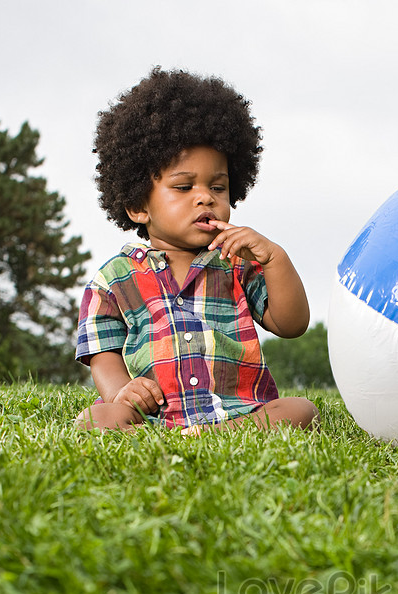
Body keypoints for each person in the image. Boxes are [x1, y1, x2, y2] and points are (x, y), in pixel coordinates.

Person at [74, 68, 318, 435]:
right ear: (139, 205)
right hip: (153, 414)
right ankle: (152, 438)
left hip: (238, 409)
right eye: (184, 186)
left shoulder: (237, 262)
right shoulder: (115, 279)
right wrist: (121, 390)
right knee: (97, 419)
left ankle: (223, 433)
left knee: (301, 410)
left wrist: (275, 259)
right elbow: (101, 350)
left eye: (218, 188)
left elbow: (291, 324)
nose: (205, 196)